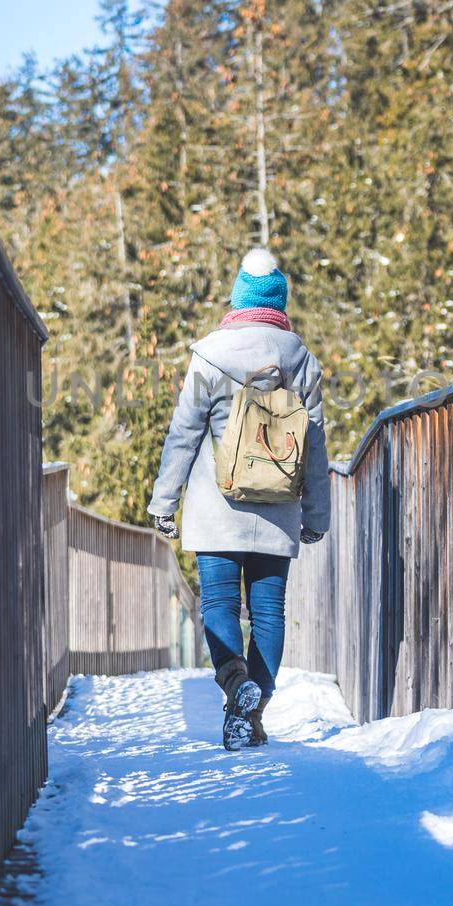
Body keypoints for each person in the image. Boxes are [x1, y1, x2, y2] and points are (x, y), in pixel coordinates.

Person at [147, 248, 330, 749]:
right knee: (269, 613)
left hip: (217, 508)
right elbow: (314, 445)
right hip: (278, 511)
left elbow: (183, 434)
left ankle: (235, 682)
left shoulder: (209, 355)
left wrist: (164, 503)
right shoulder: (302, 362)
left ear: (237, 298)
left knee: (220, 606)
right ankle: (250, 714)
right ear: (279, 300)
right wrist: (316, 515)